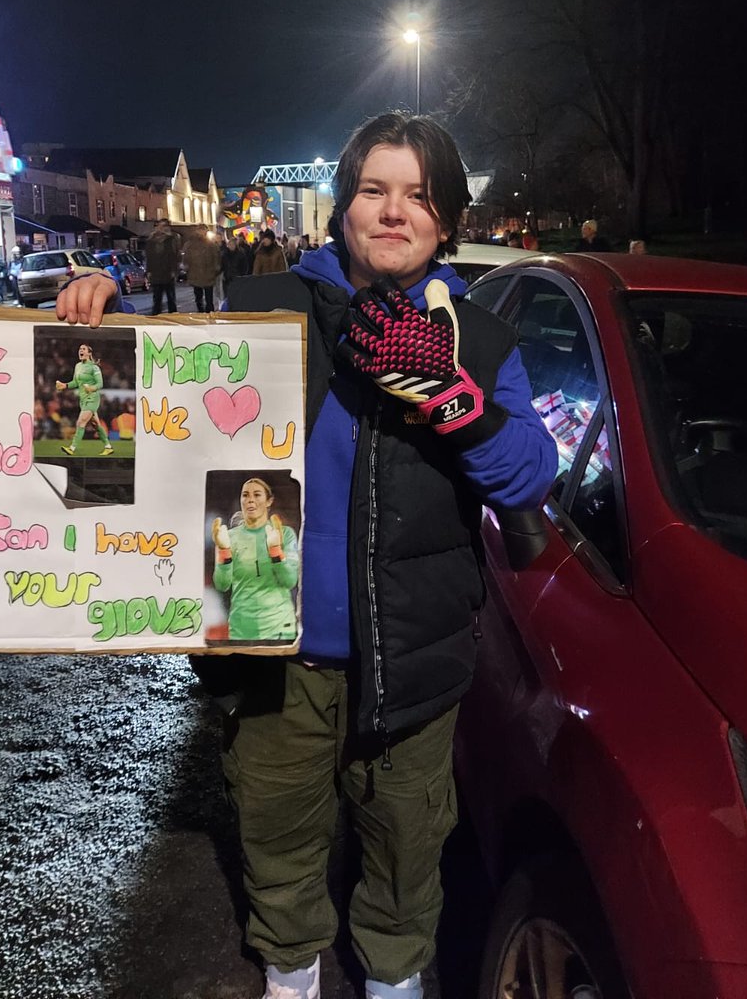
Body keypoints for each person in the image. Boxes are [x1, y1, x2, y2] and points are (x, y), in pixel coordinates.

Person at [54, 111, 557, 999]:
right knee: (277, 837)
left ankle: (395, 980)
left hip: (415, 656)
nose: (394, 212)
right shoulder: (264, 310)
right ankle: (292, 977)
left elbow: (526, 476)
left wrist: (458, 403)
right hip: (271, 650)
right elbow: (148, 385)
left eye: (418, 196)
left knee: (407, 850)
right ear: (343, 208)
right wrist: (100, 297)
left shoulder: (478, 340)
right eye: (374, 191)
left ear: (446, 220)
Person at [210, 478, 299, 642]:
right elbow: (222, 584)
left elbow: (290, 580)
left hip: (279, 628)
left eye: (257, 495)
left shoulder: (285, 534)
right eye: (245, 495)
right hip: (241, 629)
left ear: (269, 501)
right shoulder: (228, 537)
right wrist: (224, 551)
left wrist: (275, 550)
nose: (250, 499)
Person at [55, 343, 113, 457]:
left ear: (89, 353)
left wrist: (92, 388)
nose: (80, 351)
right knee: (96, 424)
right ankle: (108, 447)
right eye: (80, 349)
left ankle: (72, 448)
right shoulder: (78, 366)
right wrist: (65, 385)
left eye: (83, 349)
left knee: (80, 422)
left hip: (92, 398)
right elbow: (76, 382)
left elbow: (100, 383)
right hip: (83, 399)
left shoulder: (94, 367)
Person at [145, 218, 182, 314]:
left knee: (171, 298)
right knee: (157, 299)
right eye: (159, 226)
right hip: (156, 272)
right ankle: (156, 318)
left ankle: (173, 318)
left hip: (168, 272)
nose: (161, 228)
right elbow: (149, 257)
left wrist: (174, 271)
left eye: (163, 226)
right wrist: (148, 271)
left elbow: (176, 255)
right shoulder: (151, 240)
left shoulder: (172, 239)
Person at [184, 224, 222, 313]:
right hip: (196, 274)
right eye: (200, 230)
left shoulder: (211, 245)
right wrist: (187, 267)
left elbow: (216, 257)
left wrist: (216, 269)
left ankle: (209, 313)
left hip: (208, 274)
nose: (202, 232)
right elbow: (186, 257)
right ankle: (201, 312)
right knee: (198, 298)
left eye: (204, 230)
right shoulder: (191, 244)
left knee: (209, 299)